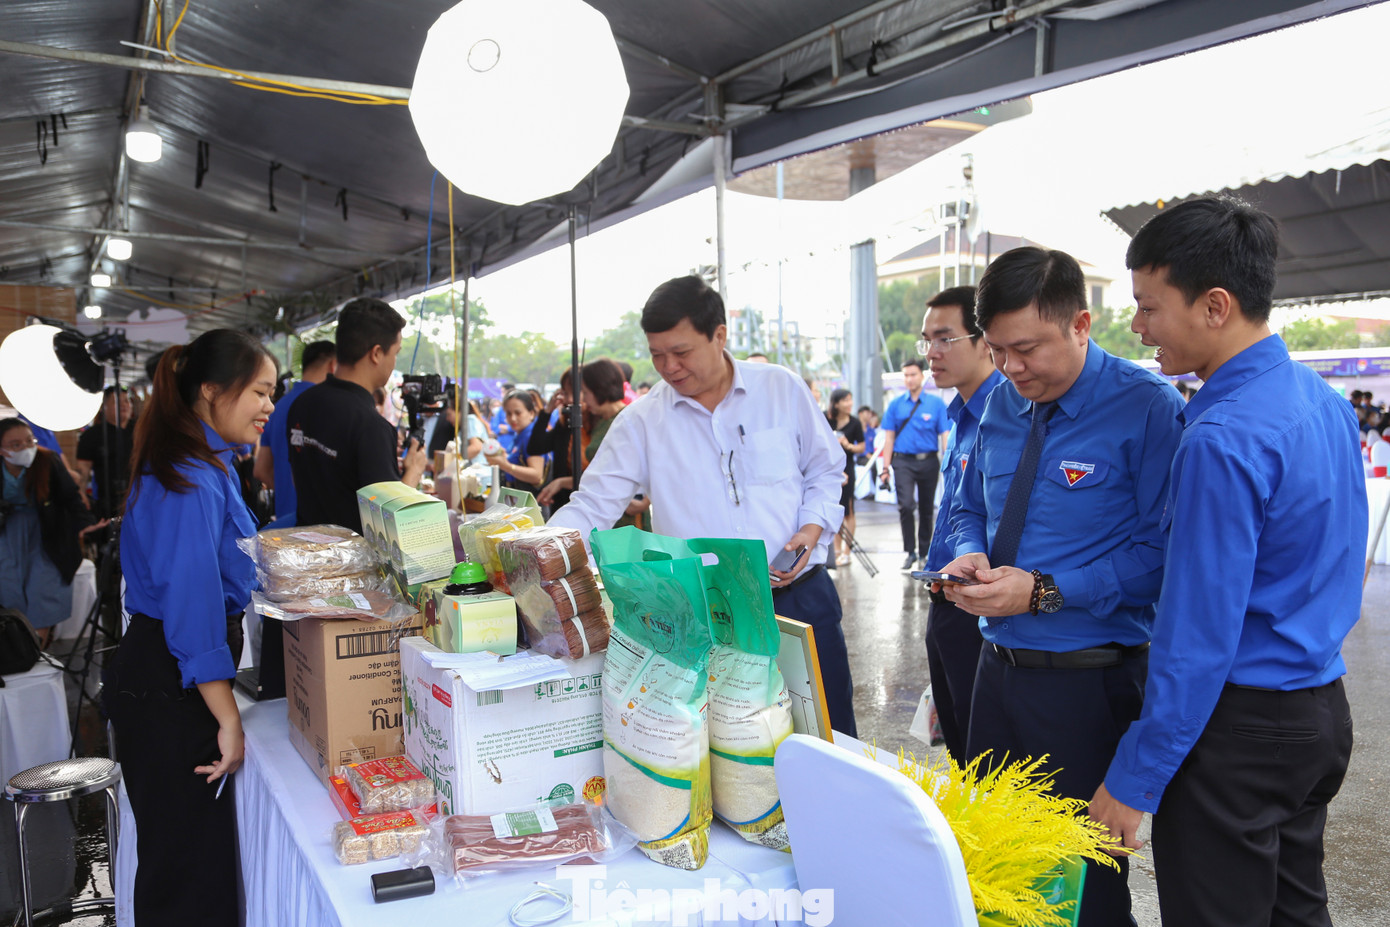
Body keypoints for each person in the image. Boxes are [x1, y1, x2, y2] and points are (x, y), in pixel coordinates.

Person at [1088, 197, 1365, 927]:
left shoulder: (1222, 436)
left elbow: (1198, 635)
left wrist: (1136, 776)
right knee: (1295, 910)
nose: (1139, 327)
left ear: (1215, 305)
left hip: (1239, 732)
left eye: (1149, 306)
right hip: (1319, 713)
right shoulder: (1321, 402)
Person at [936, 247, 1184, 927]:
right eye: (998, 350)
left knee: (1084, 886)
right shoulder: (1001, 407)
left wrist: (1044, 590)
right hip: (996, 672)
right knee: (996, 864)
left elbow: (1161, 554)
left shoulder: (1146, 409)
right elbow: (966, 507)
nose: (1012, 368)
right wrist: (969, 554)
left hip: (1086, 683)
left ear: (1079, 323)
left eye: (1027, 349)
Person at [548, 277, 856, 735]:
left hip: (799, 601)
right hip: (706, 619)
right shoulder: (643, 421)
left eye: (681, 351)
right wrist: (541, 553)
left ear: (719, 334)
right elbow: (592, 505)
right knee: (731, 754)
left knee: (827, 738)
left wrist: (812, 527)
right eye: (656, 354)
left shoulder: (781, 390)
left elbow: (826, 469)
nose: (668, 366)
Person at [105, 330, 278, 927]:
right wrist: (226, 716)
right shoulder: (187, 477)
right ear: (211, 390)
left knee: (191, 863)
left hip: (176, 678)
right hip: (170, 685)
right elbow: (192, 609)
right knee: (185, 876)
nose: (269, 408)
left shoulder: (208, 465)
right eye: (260, 391)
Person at [918, 285, 1005, 763]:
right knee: (959, 741)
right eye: (926, 340)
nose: (932, 352)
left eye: (945, 338)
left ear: (985, 340)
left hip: (983, 604)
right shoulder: (959, 415)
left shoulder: (1010, 413)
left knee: (986, 749)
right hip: (944, 596)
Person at [288, 298, 426, 532]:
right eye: (395, 353)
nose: (394, 363)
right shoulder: (371, 426)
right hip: (353, 564)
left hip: (307, 553)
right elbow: (389, 527)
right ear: (376, 353)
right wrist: (413, 473)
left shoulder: (301, 404)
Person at [0, 418, 103, 647]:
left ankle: (35, 650)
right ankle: (14, 649)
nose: (26, 448)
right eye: (15, 445)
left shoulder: (48, 460)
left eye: (30, 441)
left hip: (46, 533)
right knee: (9, 589)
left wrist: (86, 524)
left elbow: (71, 498)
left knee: (42, 589)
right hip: (7, 535)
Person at [538, 360, 646, 528]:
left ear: (599, 389)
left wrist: (645, 502)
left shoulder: (627, 420)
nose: (585, 399)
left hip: (626, 514)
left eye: (586, 392)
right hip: (604, 508)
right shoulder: (601, 421)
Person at [252, 339, 336, 527]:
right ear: (333, 365)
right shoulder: (329, 407)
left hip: (284, 527)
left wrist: (286, 494)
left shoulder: (278, 406)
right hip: (320, 532)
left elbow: (261, 470)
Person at [878, 359, 950, 571]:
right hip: (903, 462)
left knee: (927, 509)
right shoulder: (896, 405)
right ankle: (910, 551)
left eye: (913, 374)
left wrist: (948, 462)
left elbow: (944, 435)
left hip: (928, 461)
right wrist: (885, 468)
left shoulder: (936, 404)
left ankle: (925, 552)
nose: (909, 379)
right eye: (906, 375)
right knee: (906, 506)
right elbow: (889, 438)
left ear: (922, 376)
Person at [528, 370, 590, 512]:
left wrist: (562, 483)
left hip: (586, 505)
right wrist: (548, 411)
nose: (568, 400)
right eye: (565, 394)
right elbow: (535, 447)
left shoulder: (596, 426)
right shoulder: (565, 424)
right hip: (563, 504)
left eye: (571, 393)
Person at [76, 385, 135, 518]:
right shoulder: (92, 435)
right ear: (104, 407)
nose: (123, 405)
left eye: (127, 400)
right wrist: (82, 494)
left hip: (139, 498)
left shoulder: (141, 430)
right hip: (107, 503)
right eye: (116, 401)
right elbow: (83, 470)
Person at [826, 389, 864, 568]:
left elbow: (862, 447)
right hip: (829, 468)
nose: (849, 404)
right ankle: (836, 551)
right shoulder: (826, 419)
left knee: (848, 508)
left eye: (851, 400)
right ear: (836, 403)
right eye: (845, 400)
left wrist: (848, 445)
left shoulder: (855, 423)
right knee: (834, 509)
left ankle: (847, 553)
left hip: (847, 468)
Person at [487, 388, 546, 496]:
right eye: (509, 414)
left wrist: (506, 466)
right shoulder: (519, 434)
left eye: (518, 413)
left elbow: (537, 476)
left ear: (531, 413)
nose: (513, 418)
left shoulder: (532, 436)